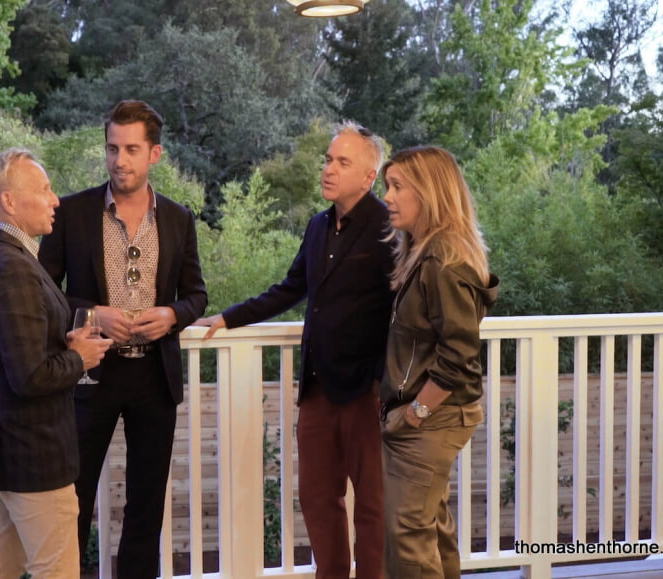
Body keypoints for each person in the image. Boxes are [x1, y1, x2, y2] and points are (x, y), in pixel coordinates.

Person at [196, 121, 395, 579]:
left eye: (342, 162)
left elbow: (405, 307)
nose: (328, 169)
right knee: (318, 499)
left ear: (369, 177)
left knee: (373, 505)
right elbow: (290, 288)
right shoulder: (318, 226)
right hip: (318, 388)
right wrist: (228, 317)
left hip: (367, 391)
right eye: (328, 159)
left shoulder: (389, 227)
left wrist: (384, 378)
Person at [39, 100, 208, 578]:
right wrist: (93, 314)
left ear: (154, 154)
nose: (119, 160)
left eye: (131, 149)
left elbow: (196, 295)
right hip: (90, 373)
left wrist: (172, 314)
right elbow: (43, 290)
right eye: (112, 148)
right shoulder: (72, 212)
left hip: (155, 376)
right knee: (73, 497)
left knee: (146, 504)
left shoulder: (178, 218)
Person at [0, 148, 112, 579]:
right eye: (43, 190)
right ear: (9, 201)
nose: (55, 200)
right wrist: (79, 358)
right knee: (54, 571)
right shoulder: (13, 267)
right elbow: (29, 376)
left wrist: (63, 344)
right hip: (32, 453)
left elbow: (10, 351)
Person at [378, 145, 499, 578]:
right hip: (430, 414)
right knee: (430, 525)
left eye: (397, 186)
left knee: (408, 537)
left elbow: (460, 356)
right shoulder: (427, 251)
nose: (387, 197)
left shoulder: (443, 259)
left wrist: (416, 412)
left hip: (432, 416)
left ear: (430, 192)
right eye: (387, 186)